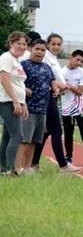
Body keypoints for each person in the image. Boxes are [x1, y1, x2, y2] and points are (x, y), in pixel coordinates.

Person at [19, 39, 57, 176]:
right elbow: (14, 81)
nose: (39, 52)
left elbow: (52, 81)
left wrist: (56, 89)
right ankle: (18, 168)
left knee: (34, 141)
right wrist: (24, 88)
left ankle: (28, 168)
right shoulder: (23, 65)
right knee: (24, 140)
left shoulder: (46, 67)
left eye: (42, 50)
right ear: (31, 49)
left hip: (42, 109)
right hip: (28, 108)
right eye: (37, 49)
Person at [33, 32, 69, 170]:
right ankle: (63, 165)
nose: (56, 47)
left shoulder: (54, 58)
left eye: (59, 44)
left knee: (45, 132)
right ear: (48, 44)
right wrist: (61, 86)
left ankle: (34, 163)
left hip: (54, 94)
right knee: (56, 130)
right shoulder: (46, 57)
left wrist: (61, 88)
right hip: (47, 95)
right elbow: (47, 76)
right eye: (53, 44)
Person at [61, 49, 83, 166]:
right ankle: (69, 157)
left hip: (80, 107)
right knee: (68, 132)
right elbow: (59, 89)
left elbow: (79, 91)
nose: (79, 63)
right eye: (77, 59)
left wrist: (68, 86)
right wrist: (62, 89)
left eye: (81, 61)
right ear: (71, 57)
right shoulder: (61, 72)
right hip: (67, 107)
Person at [0, 32, 29, 175]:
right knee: (18, 136)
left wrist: (23, 104)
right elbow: (5, 80)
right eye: (19, 43)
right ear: (11, 43)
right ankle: (10, 169)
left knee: (7, 136)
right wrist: (15, 101)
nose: (22, 47)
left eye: (24, 44)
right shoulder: (6, 58)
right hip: (7, 101)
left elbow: (19, 83)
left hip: (16, 101)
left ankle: (3, 168)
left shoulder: (16, 60)